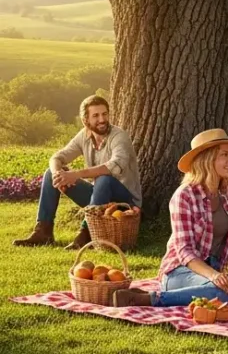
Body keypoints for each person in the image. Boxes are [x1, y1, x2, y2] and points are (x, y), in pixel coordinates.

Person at [112, 129, 228, 307]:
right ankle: (150, 298)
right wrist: (212, 276)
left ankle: (204, 294)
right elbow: (184, 251)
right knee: (217, 291)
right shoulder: (184, 196)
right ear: (207, 159)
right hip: (180, 271)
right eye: (224, 155)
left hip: (212, 270)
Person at [14, 95, 141, 250]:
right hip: (98, 198)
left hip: (124, 203)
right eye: (96, 115)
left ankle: (86, 233)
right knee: (50, 172)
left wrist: (76, 174)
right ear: (85, 120)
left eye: (104, 114)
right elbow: (57, 157)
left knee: (103, 179)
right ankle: (43, 232)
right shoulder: (84, 135)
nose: (102, 119)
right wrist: (57, 175)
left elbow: (114, 166)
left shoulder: (119, 136)